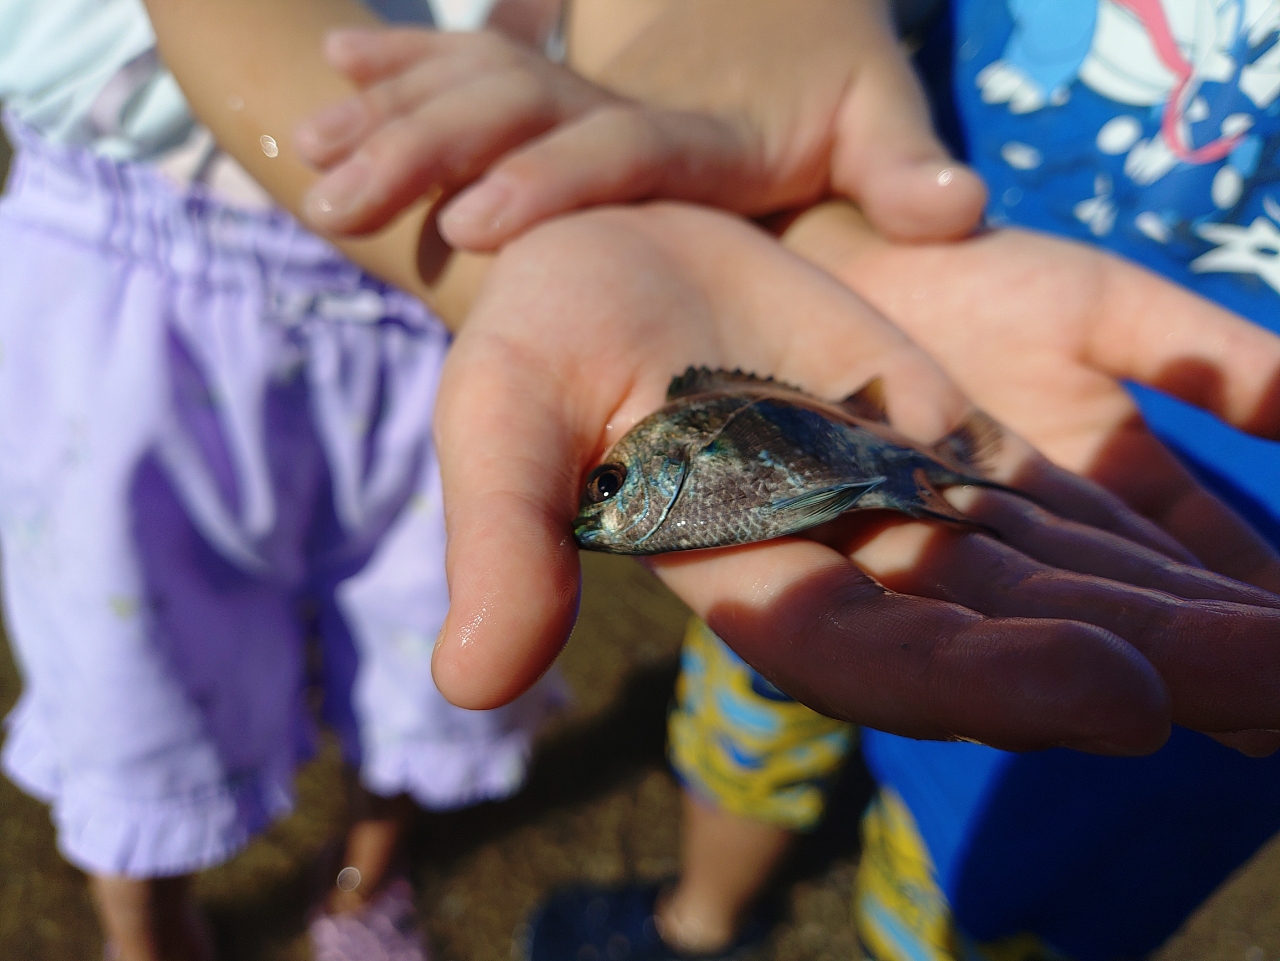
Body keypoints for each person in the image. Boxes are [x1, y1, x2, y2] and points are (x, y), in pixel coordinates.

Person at [288, 2, 1280, 959]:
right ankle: (705, 912)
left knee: (1025, 815)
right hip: (897, 276)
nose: (595, 517)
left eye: (605, 493)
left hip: (1154, 466)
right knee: (767, 696)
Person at [0, 2, 569, 959]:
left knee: (445, 638)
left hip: (458, 243)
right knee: (129, 675)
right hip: (125, 247)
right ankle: (148, 935)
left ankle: (363, 876)